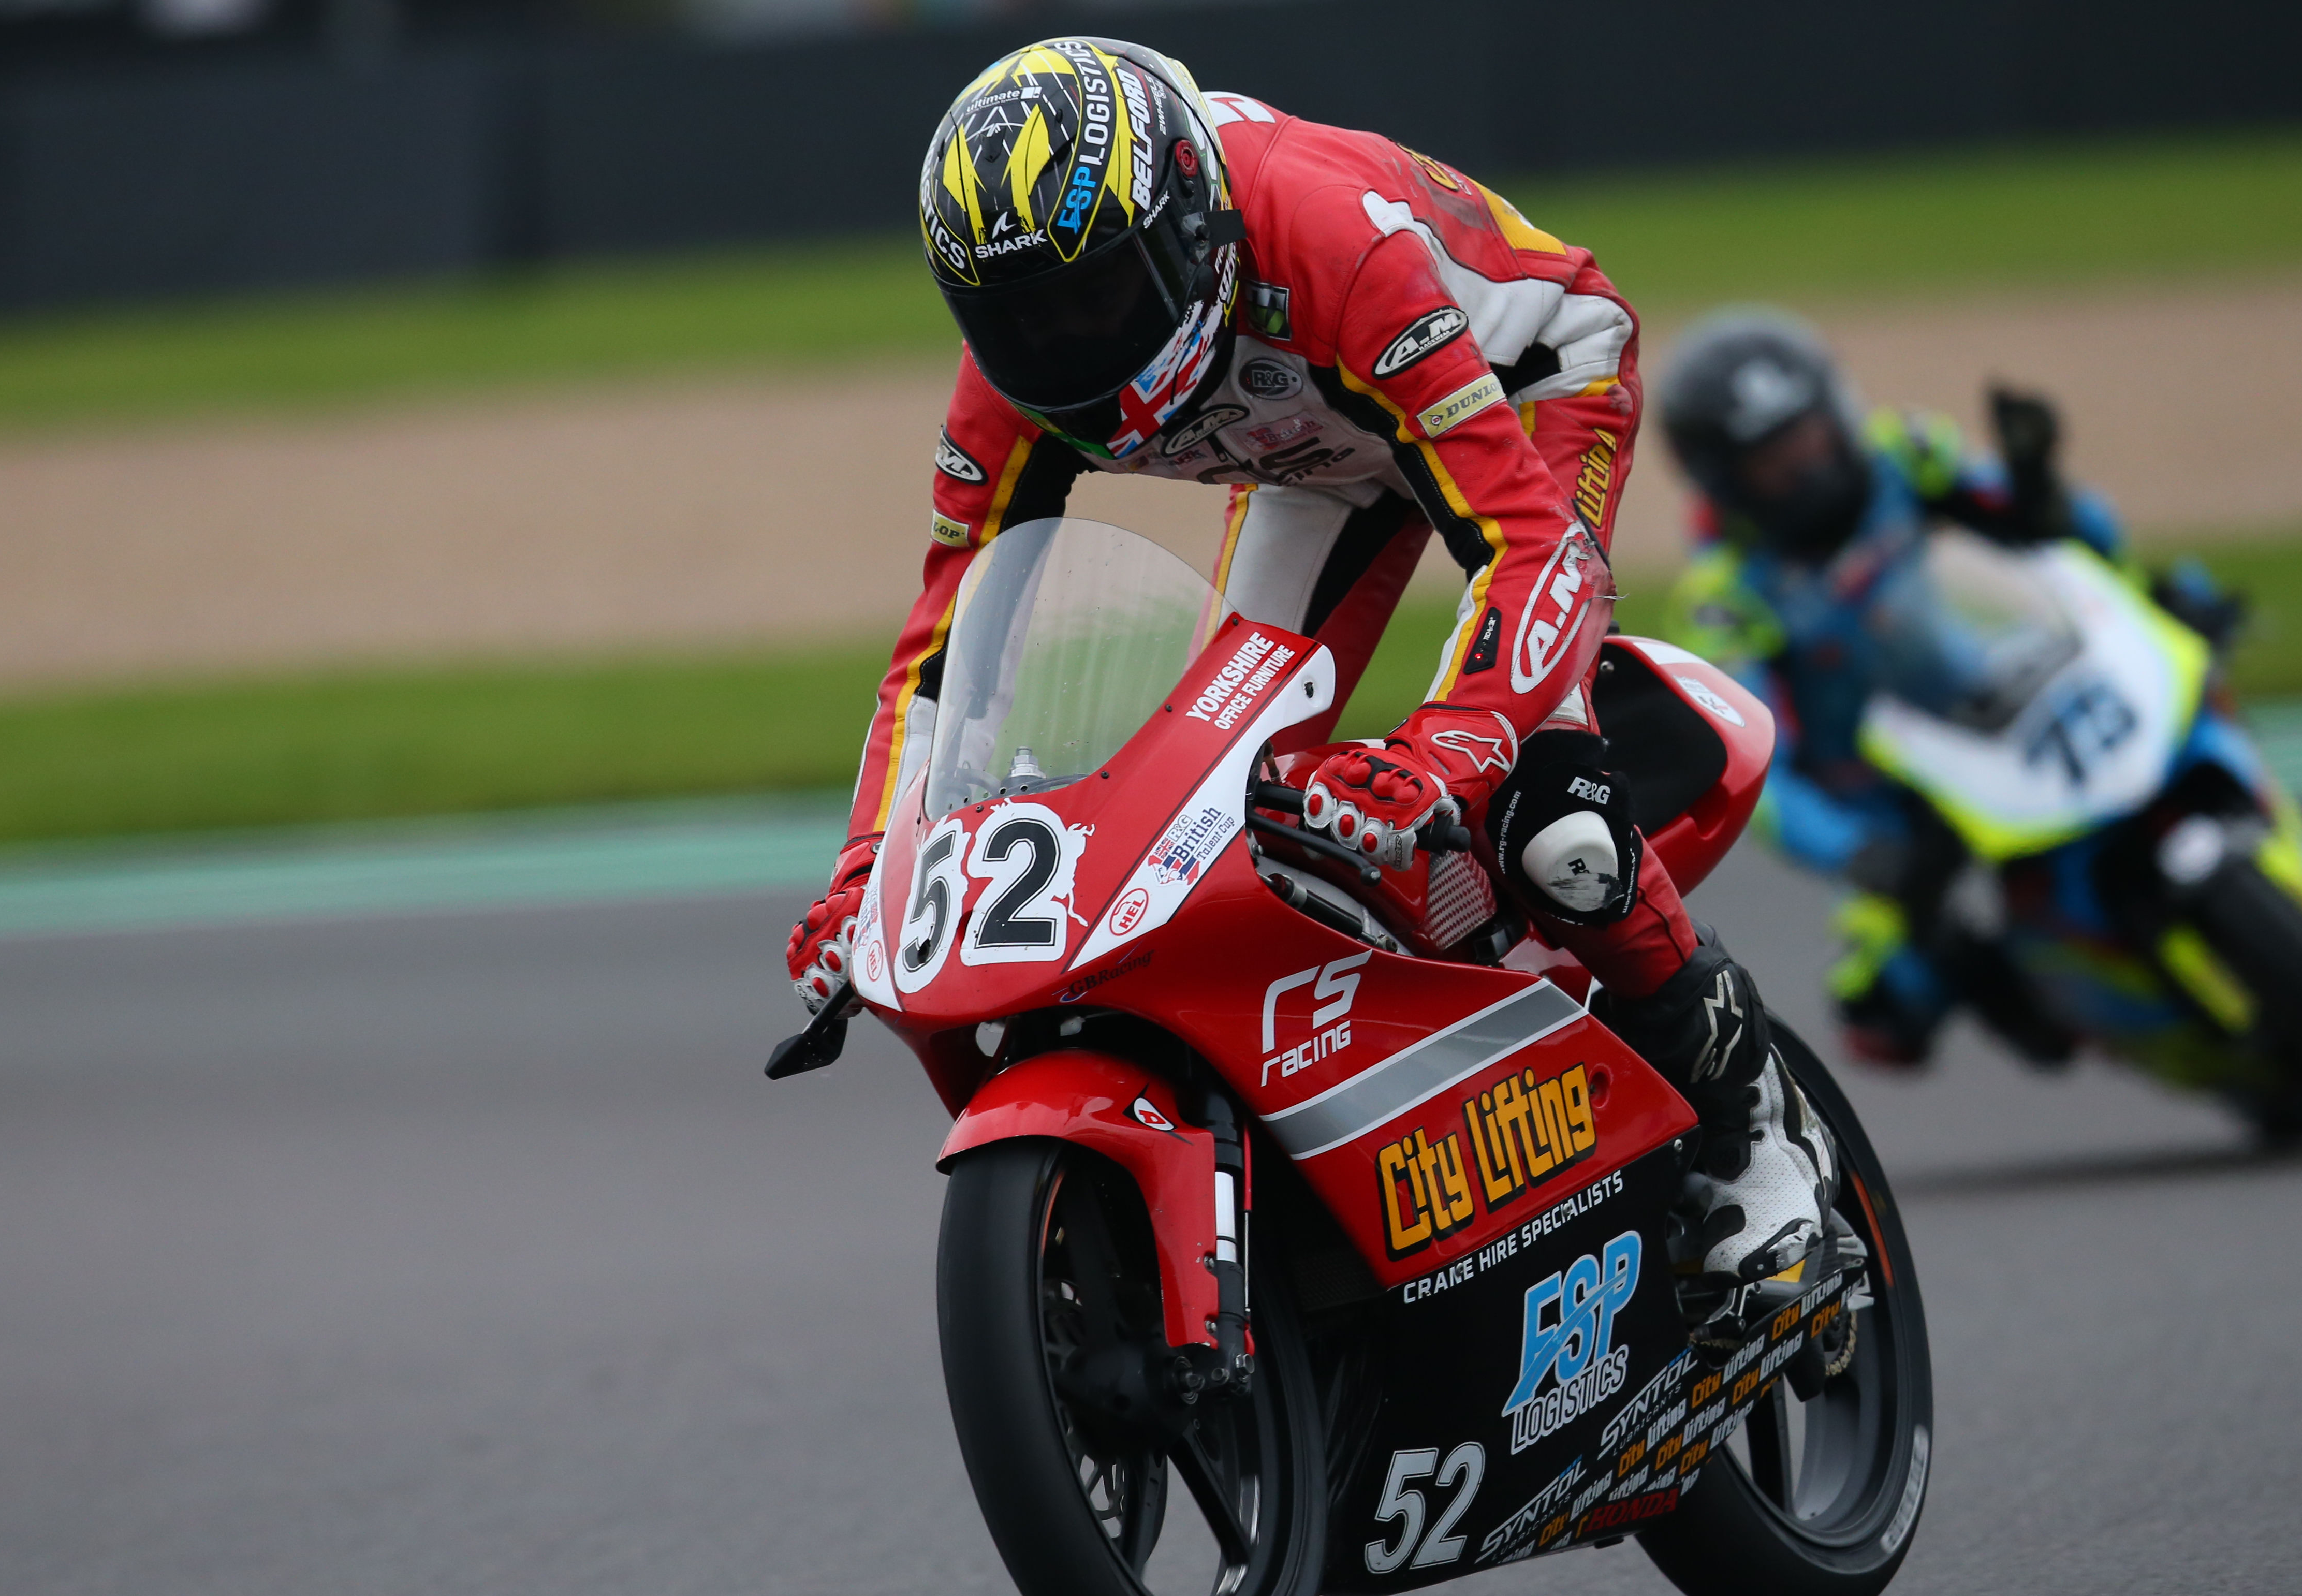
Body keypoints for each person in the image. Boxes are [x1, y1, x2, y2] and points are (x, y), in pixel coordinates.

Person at [785, 39, 1832, 1328]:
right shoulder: (1012, 390)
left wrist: (1453, 754)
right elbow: (943, 643)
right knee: (1208, 798)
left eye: (1103, 297)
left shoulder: (1335, 240)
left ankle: (1752, 1132)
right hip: (1318, 457)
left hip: (1524, 389)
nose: (1067, 345)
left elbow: (1520, 540)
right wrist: (865, 872)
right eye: (1027, 320)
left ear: (1191, 219)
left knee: (1548, 818)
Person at [1655, 306, 2244, 1067]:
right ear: (1726, 478)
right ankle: (2042, 1001)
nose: (1807, 463)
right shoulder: (1725, 597)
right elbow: (1758, 773)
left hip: (1992, 686)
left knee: (2188, 662)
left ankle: (2263, 821)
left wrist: (2092, 541)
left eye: (1807, 433)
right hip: (1893, 795)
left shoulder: (1906, 453)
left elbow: (2051, 528)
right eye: (1775, 458)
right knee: (1882, 1006)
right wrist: (1861, 852)